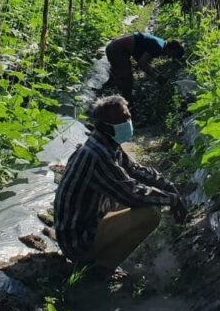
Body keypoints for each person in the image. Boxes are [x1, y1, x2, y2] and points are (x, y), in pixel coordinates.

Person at [53, 95, 188, 274]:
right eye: (122, 120)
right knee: (149, 212)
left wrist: (167, 185)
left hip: (89, 220)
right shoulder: (96, 155)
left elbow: (136, 170)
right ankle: (102, 268)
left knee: (147, 199)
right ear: (104, 126)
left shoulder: (106, 144)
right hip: (78, 241)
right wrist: (172, 199)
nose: (128, 124)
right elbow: (132, 194)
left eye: (128, 118)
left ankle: (105, 256)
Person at [105, 32, 184, 98]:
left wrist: (158, 73)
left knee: (118, 75)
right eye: (170, 55)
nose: (167, 56)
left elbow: (142, 60)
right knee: (127, 79)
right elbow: (142, 64)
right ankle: (127, 101)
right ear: (170, 49)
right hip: (117, 49)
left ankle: (107, 90)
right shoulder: (158, 47)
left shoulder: (161, 43)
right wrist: (157, 77)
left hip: (114, 46)